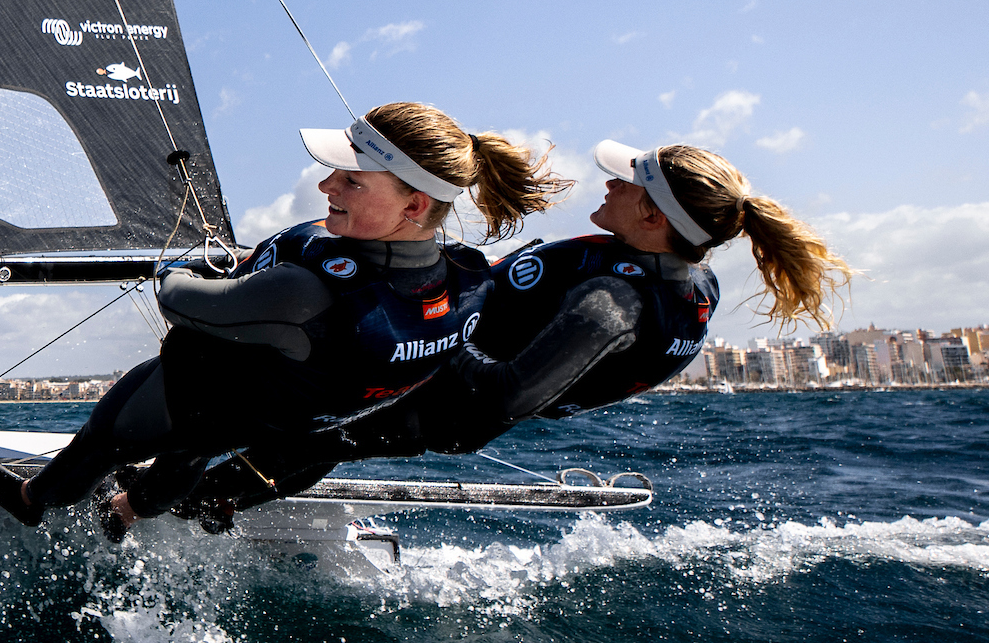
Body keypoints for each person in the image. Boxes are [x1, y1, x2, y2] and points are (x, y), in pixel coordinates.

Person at [165, 137, 855, 531]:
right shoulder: (672, 270)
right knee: (314, 422)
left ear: (650, 213)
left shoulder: (615, 302)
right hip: (428, 371)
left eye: (627, 180)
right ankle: (199, 495)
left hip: (433, 393)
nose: (609, 182)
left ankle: (175, 504)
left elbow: (504, 396)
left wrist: (425, 330)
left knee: (315, 429)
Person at [0, 101, 570, 534]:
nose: (328, 183)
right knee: (193, 454)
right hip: (273, 420)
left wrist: (173, 266)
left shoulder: (302, 294)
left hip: (199, 396)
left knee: (103, 440)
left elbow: (181, 298)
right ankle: (130, 512)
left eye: (352, 181)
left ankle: (33, 498)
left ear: (413, 203)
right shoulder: (467, 276)